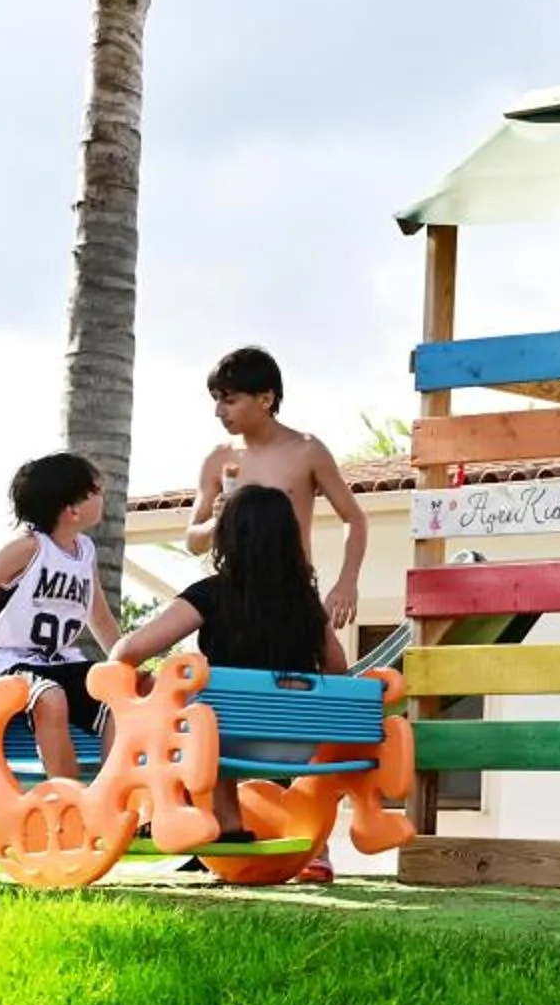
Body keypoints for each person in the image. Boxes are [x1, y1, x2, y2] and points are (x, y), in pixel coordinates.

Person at [114, 484, 349, 847]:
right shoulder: (305, 604)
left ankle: (168, 810)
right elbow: (337, 668)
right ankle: (228, 825)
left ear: (227, 539)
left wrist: (143, 677)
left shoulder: (211, 594)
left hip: (222, 741)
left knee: (176, 702)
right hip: (296, 745)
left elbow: (128, 651)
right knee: (215, 714)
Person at [0, 452, 117, 783]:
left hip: (57, 662)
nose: (103, 494)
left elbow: (99, 616)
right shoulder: (27, 550)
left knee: (118, 696)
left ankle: (110, 794)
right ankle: (69, 798)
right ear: (72, 510)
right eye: (95, 490)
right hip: (2, 664)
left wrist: (124, 663)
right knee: (50, 697)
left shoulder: (84, 551)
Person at [181, 346, 370, 634]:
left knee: (328, 668)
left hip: (291, 593)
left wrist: (348, 582)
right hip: (233, 597)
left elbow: (354, 518)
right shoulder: (217, 459)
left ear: (266, 399)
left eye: (229, 400)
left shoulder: (307, 450)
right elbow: (193, 543)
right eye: (217, 400)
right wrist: (216, 523)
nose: (219, 411)